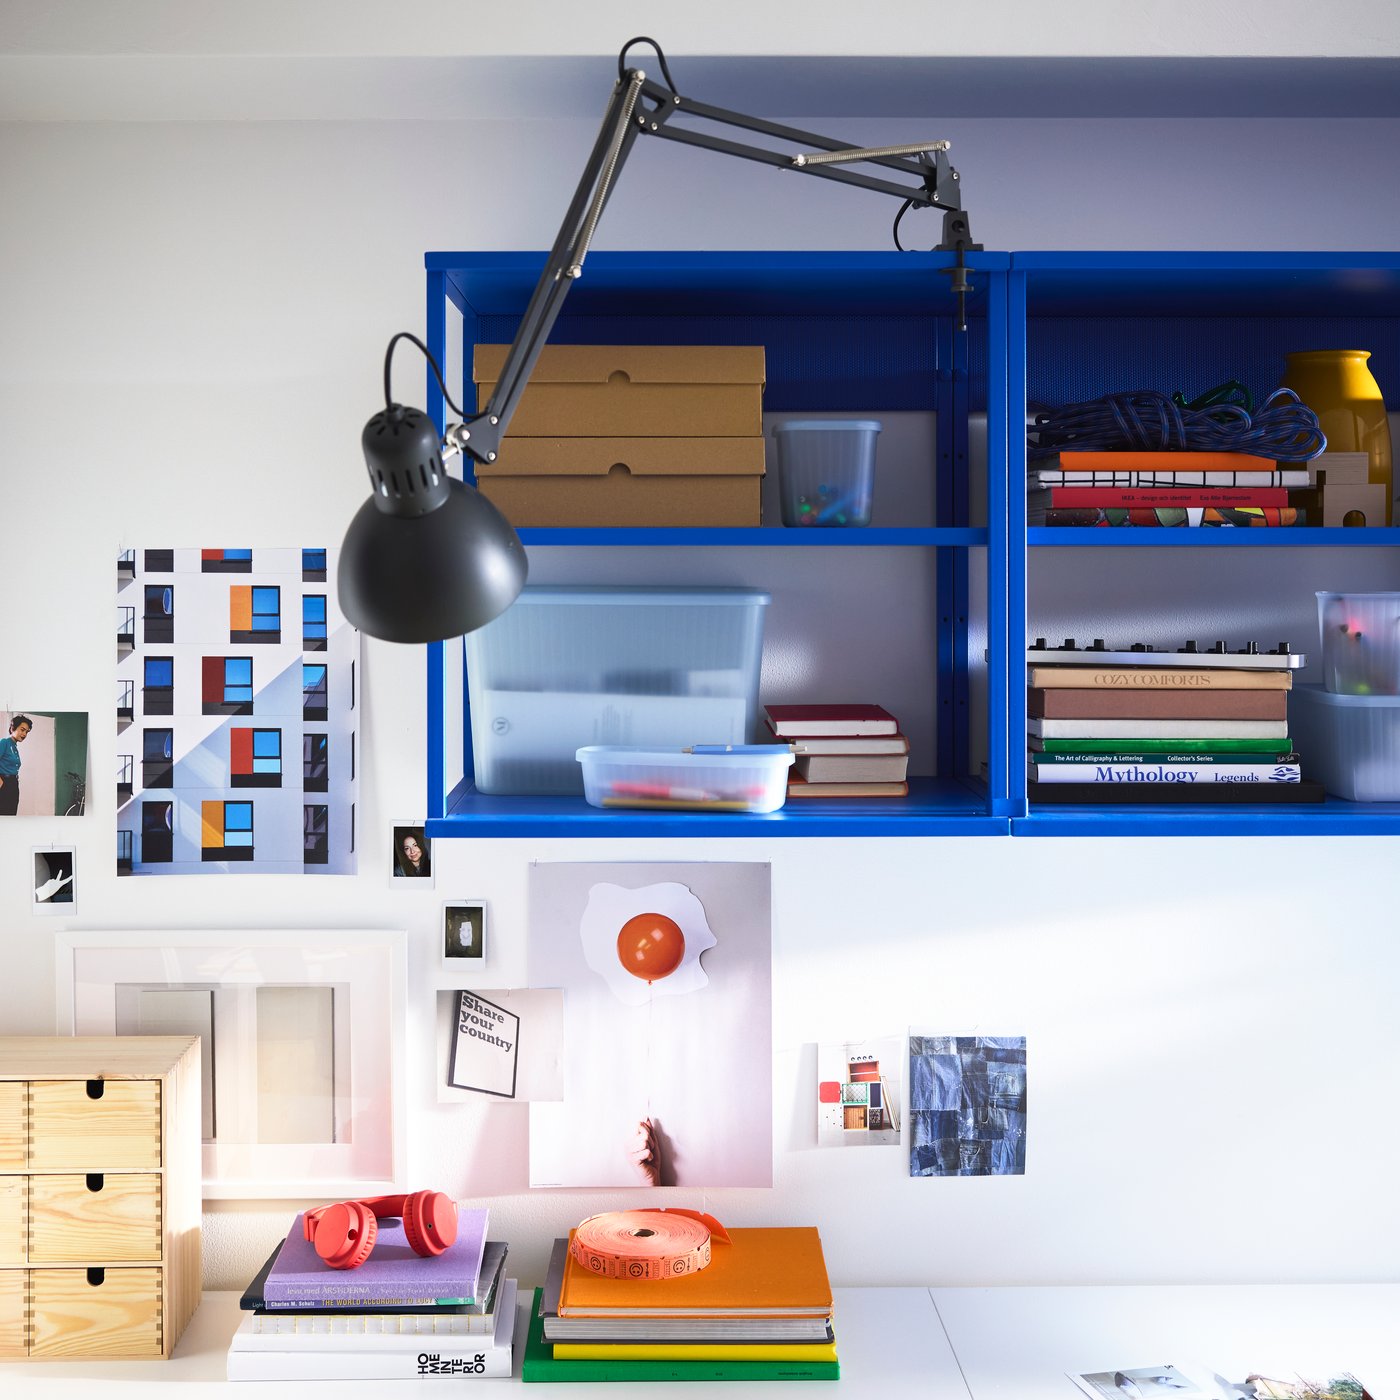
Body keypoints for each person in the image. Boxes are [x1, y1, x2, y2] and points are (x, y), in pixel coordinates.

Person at [0, 714, 32, 816]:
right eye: (22, 730)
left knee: (12, 814)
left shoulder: (14, 747)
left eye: (27, 732)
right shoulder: (4, 742)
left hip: (13, 784)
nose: (24, 734)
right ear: (12, 728)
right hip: (4, 783)